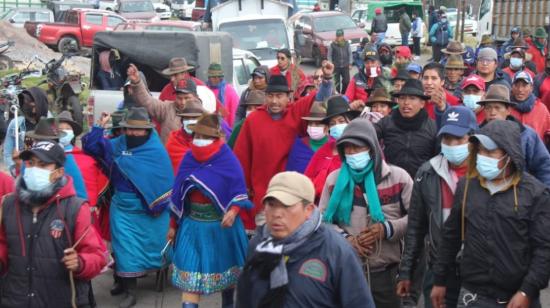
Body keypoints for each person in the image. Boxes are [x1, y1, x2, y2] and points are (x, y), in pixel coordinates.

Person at [431, 119, 550, 308]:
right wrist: (439, 280)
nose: (482, 157)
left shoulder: (535, 193)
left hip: (517, 297)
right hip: (474, 295)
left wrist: (527, 290)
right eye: (480, 151)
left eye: (490, 152)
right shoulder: (467, 186)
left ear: (509, 154)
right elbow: (451, 236)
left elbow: (544, 248)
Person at [236, 171, 376, 307]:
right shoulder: (258, 245)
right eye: (271, 205)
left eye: (286, 205)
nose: (277, 214)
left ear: (308, 209)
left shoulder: (336, 250)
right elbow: (245, 298)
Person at [82, 107, 174, 307]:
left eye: (137, 129)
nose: (132, 133)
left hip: (150, 209)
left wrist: (156, 203)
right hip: (122, 208)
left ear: (147, 130)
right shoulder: (119, 144)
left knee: (154, 245)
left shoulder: (156, 151)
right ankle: (128, 289)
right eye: (128, 129)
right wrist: (98, 127)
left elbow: (164, 181)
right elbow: (90, 147)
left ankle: (150, 277)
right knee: (124, 248)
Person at [0, 140, 107, 307]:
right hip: (15, 298)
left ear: (59, 172)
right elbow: (3, 245)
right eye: (31, 163)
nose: (35, 169)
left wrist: (80, 262)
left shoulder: (75, 208)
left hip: (59, 299)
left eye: (43, 165)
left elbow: (97, 256)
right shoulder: (8, 204)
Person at [319, 118, 413, 308]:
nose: (352, 153)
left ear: (372, 148)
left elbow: (417, 219)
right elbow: (321, 221)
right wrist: (346, 240)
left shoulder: (398, 177)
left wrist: (387, 229)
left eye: (358, 147)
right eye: (348, 148)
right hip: (346, 271)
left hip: (386, 273)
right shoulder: (334, 180)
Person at [234, 63, 334, 231]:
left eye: (279, 96)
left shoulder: (294, 113)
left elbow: (318, 99)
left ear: (288, 97)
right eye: (270, 96)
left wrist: (327, 79)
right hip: (263, 198)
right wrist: (243, 190)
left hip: (291, 198)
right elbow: (241, 157)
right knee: (266, 245)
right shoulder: (253, 120)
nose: (274, 101)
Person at [398, 106, 478, 308]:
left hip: (477, 272)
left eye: (459, 139)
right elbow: (416, 227)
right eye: (447, 139)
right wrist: (406, 271)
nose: (451, 145)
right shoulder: (427, 173)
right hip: (438, 266)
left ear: (473, 139)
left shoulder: (485, 174)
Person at [168, 114, 250, 308]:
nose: (199, 140)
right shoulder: (189, 158)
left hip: (221, 227)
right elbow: (178, 191)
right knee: (190, 281)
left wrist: (234, 211)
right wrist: (172, 225)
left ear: (216, 138)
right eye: (197, 135)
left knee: (227, 278)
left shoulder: (227, 158)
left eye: (204, 136)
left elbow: (238, 189)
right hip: (192, 226)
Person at [478, 84, 550, 186]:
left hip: (520, 193)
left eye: (497, 108)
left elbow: (544, 168)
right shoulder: (477, 135)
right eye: (488, 108)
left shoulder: (527, 135)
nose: (492, 112)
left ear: (508, 110)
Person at [375, 79, 439, 178]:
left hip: (422, 182)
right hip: (392, 181)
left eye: (412, 98)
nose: (406, 102)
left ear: (422, 103)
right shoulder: (386, 122)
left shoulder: (433, 127)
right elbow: (368, 135)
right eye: (402, 98)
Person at [305, 95, 360, 201]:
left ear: (350, 122)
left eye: (341, 121)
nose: (337, 126)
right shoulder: (324, 150)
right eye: (332, 123)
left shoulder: (364, 146)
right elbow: (308, 177)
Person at [128, 64, 200, 143]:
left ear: (195, 97)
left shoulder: (204, 115)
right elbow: (147, 102)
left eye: (187, 98)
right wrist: (137, 83)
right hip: (168, 154)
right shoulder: (167, 108)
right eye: (179, 98)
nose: (183, 102)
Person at [3, 87, 49, 175]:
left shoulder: (50, 122)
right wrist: (15, 170)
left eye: (32, 102)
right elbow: (7, 153)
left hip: (46, 173)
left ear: (40, 103)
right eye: (25, 103)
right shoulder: (16, 124)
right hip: (24, 171)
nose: (27, 105)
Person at [286, 104, 329, 173]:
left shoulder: (334, 147)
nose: (313, 126)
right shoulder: (299, 145)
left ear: (327, 127)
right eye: (310, 123)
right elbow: (290, 172)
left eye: (317, 124)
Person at [165, 99, 206, 172]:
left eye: (194, 118)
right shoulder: (174, 141)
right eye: (187, 118)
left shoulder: (209, 140)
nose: (190, 121)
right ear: (182, 121)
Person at [509, 71, 550, 141]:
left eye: (524, 86)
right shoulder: (506, 108)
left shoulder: (541, 109)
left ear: (531, 87)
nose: (520, 89)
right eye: (516, 85)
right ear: (512, 87)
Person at [206, 63, 239, 127]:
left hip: (225, 129)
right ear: (208, 77)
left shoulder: (230, 91)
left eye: (218, 77)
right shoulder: (205, 90)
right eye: (213, 77)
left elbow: (235, 113)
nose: (216, 79)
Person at [328, 29, 352, 93]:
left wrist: (350, 63)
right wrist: (330, 64)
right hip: (336, 66)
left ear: (343, 36)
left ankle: (344, 93)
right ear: (336, 36)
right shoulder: (332, 45)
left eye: (340, 36)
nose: (339, 38)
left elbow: (350, 54)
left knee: (347, 81)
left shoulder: (347, 44)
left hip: (345, 66)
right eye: (338, 36)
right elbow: (329, 55)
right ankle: (337, 94)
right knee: (336, 83)